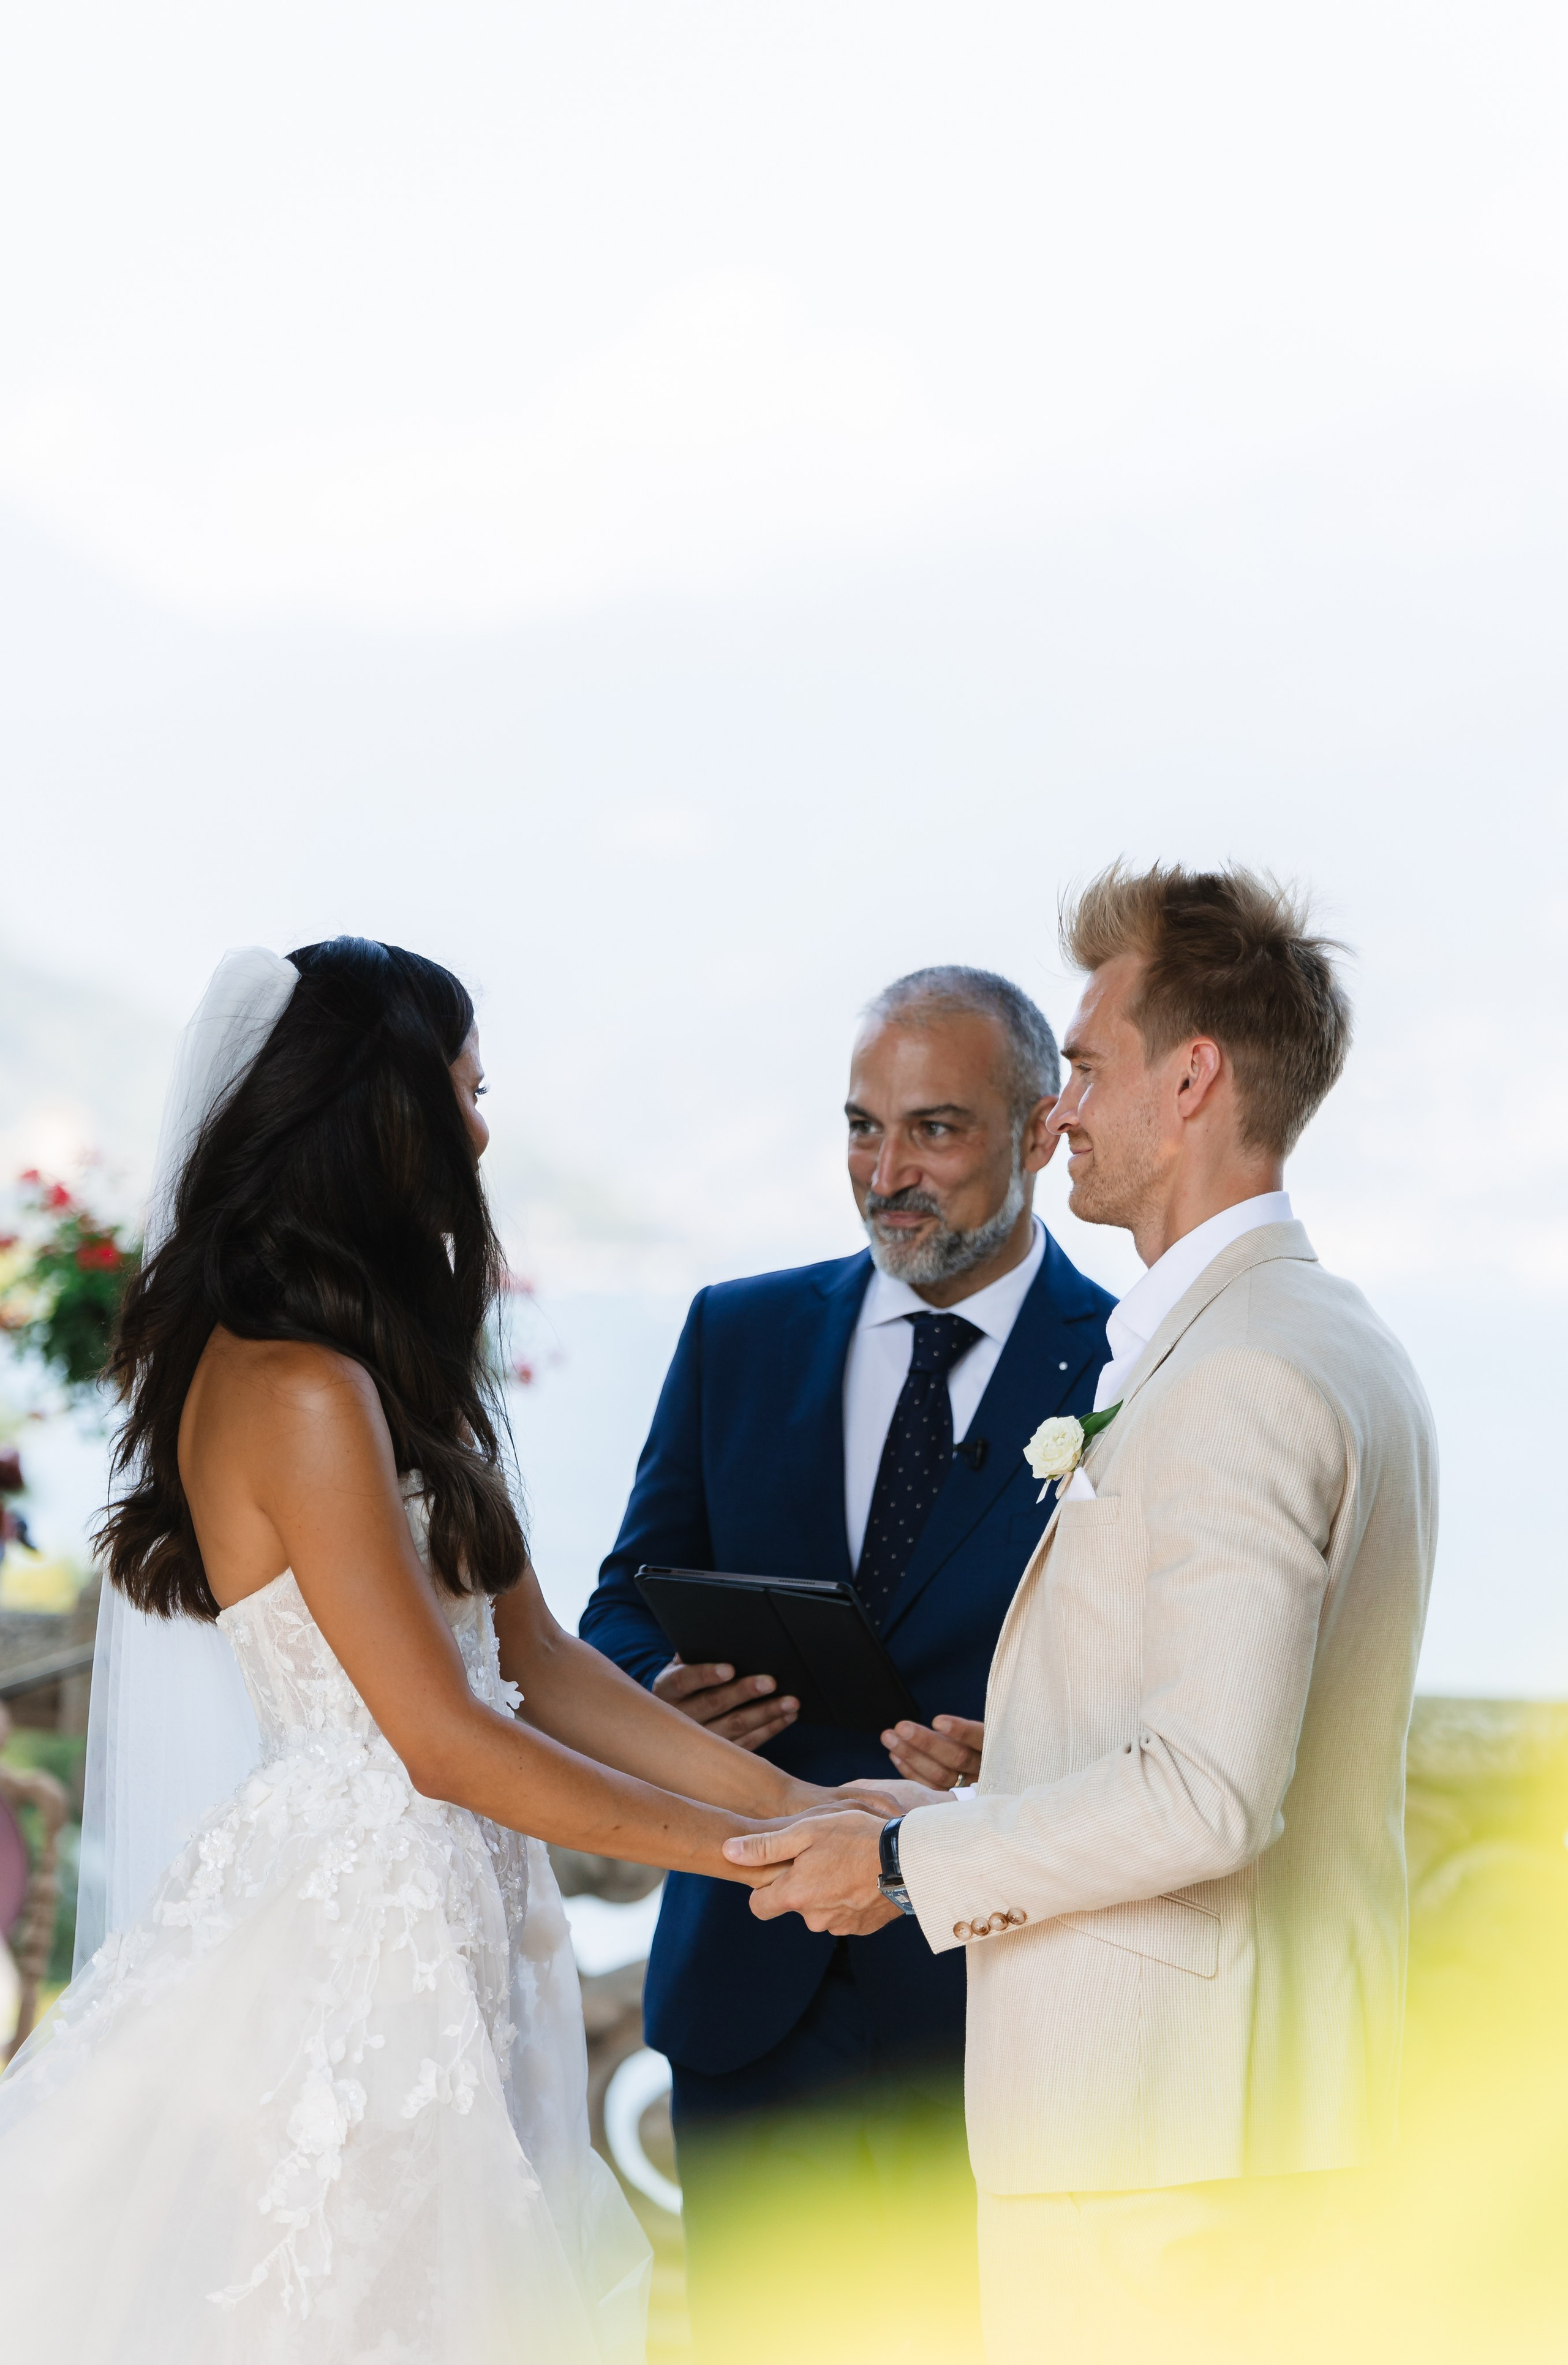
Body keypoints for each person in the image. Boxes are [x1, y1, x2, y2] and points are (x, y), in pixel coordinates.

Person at [0, 938, 865, 2365]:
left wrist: (801, 1808)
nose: (480, 1127)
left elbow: (538, 1662)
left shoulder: (387, 1375)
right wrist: (752, 1862)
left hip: (460, 1903)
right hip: (350, 1935)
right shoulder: (294, 1383)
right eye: (461, 1088)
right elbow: (442, 1736)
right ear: (378, 1110)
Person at [726, 866, 1438, 2359]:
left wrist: (912, 1860)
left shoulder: (1238, 1368)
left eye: (1088, 1068)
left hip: (1167, 2148)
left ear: (1192, 1079)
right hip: (1226, 2125)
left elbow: (1206, 1795)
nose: (1059, 1116)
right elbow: (1226, 1734)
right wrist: (1022, 1761)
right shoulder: (1322, 1330)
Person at [581, 967, 1114, 2361]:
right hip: (748, 1989)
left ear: (1041, 1127)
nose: (887, 1174)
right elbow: (615, 1609)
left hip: (987, 2001)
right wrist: (655, 1693)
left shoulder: (1133, 1362)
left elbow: (1154, 1691)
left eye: (933, 1129)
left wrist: (1024, 1756)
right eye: (860, 1128)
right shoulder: (733, 1335)